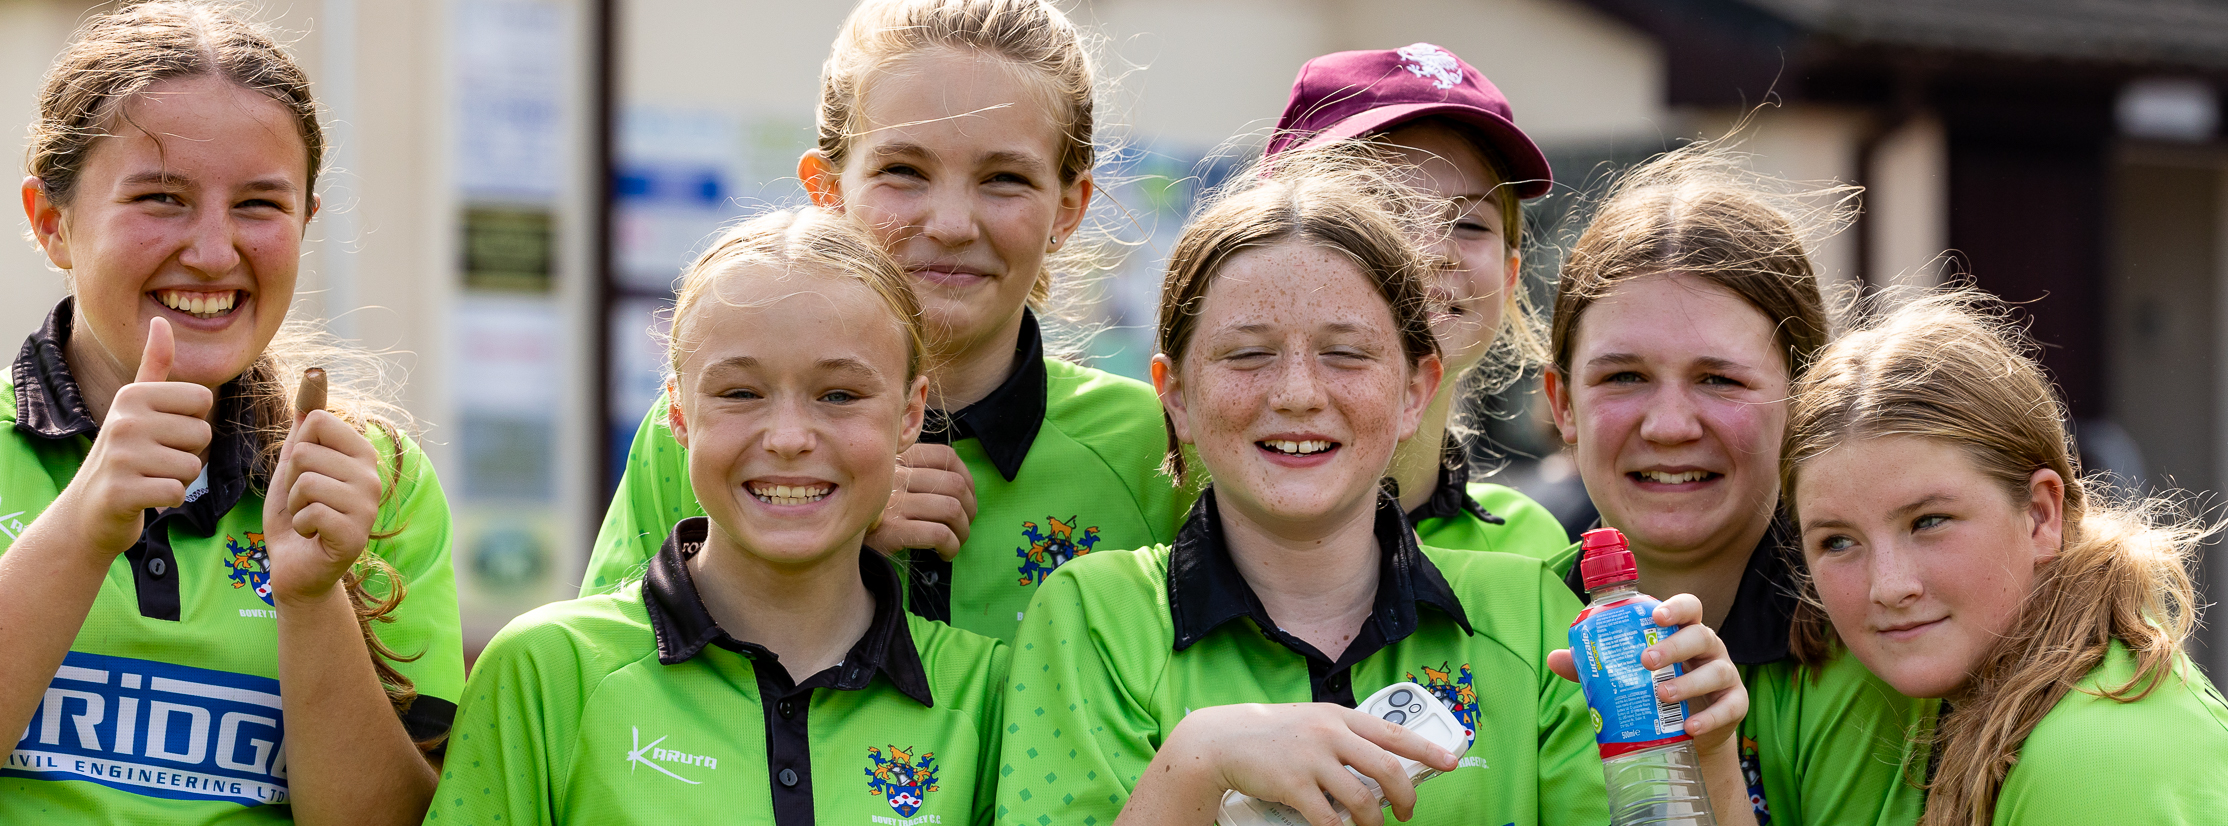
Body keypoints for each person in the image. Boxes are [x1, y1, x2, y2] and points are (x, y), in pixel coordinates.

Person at [997, 144, 1755, 826]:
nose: (1297, 392)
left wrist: (1706, 750)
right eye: (1248, 354)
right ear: (1175, 396)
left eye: (1347, 354)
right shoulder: (1091, 617)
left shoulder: (1531, 615)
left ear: (1415, 391)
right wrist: (1197, 763)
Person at [580, 0, 1189, 644]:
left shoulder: (1155, 447)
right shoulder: (709, 431)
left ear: (1068, 208)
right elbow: (603, 678)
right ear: (828, 190)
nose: (951, 225)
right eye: (903, 171)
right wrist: (809, 530)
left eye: (1005, 178)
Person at [1, 3, 462, 823]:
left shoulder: (376, 480)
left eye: (259, 205)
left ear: (306, 222)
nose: (214, 252)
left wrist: (315, 598)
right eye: (161, 198)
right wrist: (82, 527)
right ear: (51, 223)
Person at [429, 209, 1008, 826]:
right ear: (678, 413)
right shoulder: (547, 671)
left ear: (911, 414)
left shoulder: (987, 693)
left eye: (839, 394)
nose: (788, 438)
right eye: (740, 393)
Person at [1538, 141, 1933, 825]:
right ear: (1562, 405)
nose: (1667, 426)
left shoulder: (1880, 636)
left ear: (1804, 398)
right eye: (1623, 377)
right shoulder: (1511, 626)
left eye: (1718, 379)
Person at [1783, 290, 2228, 826]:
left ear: (2041, 514)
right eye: (1837, 541)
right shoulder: (1966, 687)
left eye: (1928, 522)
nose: (1888, 586)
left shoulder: (2093, 753)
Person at [1267, 43, 1567, 556]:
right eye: (1385, 212)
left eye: (1470, 223)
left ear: (1510, 271)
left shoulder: (1532, 547)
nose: (1432, 252)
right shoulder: (1160, 496)